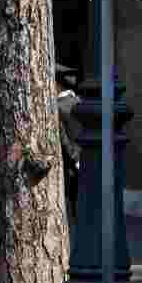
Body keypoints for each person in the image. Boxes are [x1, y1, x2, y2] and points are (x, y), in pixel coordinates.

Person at [55, 64, 82, 221]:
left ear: (58, 84)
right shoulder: (81, 102)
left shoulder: (56, 107)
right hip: (86, 158)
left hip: (69, 165)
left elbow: (63, 137)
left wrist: (73, 159)